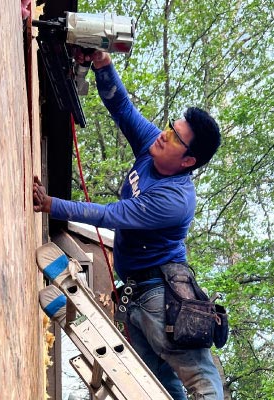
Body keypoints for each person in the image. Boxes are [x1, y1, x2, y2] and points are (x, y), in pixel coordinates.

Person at [33, 50, 222, 399]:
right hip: (137, 299)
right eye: (171, 127)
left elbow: (111, 216)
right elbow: (123, 109)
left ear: (188, 160)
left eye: (177, 138)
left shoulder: (175, 200)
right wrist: (104, 65)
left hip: (159, 297)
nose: (165, 135)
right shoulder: (153, 147)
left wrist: (51, 205)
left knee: (201, 380)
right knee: (162, 386)